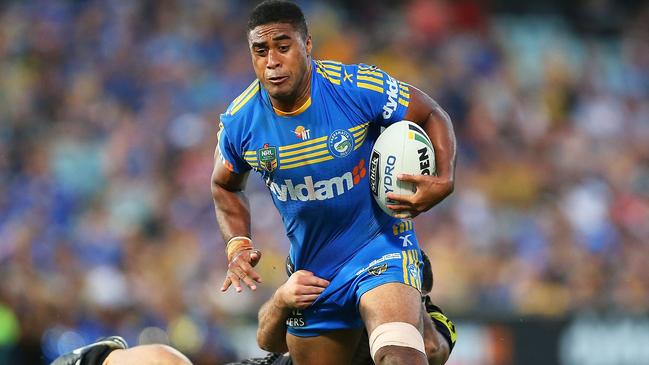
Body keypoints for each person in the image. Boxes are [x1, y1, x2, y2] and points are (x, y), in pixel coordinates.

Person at [212, 1, 456, 364]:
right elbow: (225, 186)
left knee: (401, 357)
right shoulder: (240, 122)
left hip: (380, 245)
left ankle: (423, 324)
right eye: (260, 51)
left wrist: (444, 177)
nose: (272, 61)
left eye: (283, 46)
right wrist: (238, 245)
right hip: (314, 271)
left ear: (307, 45)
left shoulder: (356, 87)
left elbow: (431, 112)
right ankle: (427, 327)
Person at [50, 253, 456, 365]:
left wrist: (404, 293)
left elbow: (431, 350)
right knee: (169, 361)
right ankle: (95, 360)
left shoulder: (430, 324)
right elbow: (268, 340)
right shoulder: (332, 280)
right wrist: (281, 299)